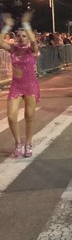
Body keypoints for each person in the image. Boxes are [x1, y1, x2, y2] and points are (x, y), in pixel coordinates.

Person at [0, 12, 40, 158]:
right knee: (11, 117)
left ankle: (28, 143)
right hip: (16, 86)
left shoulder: (33, 50)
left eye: (24, 36)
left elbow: (34, 42)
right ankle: (18, 143)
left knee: (29, 116)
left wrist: (26, 25)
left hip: (30, 86)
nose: (21, 38)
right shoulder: (12, 49)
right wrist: (7, 26)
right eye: (19, 36)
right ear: (15, 37)